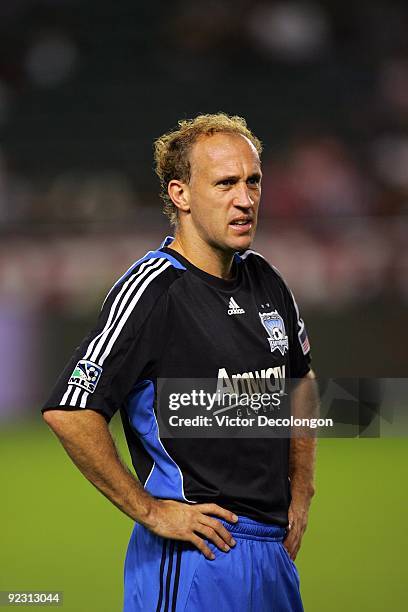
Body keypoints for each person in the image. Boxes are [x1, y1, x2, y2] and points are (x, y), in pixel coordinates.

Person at [42, 113, 318, 611]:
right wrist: (151, 511)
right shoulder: (152, 290)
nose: (245, 199)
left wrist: (302, 489)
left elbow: (302, 382)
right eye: (226, 183)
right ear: (181, 194)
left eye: (253, 181)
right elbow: (70, 411)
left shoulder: (268, 281)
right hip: (194, 556)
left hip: (273, 554)